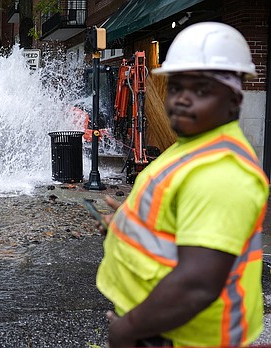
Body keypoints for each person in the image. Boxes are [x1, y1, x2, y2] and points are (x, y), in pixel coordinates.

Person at [95, 22, 268, 347]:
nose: (182, 100)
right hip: (162, 325)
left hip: (186, 336)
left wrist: (128, 328)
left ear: (234, 100)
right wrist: (129, 223)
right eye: (176, 88)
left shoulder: (224, 174)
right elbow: (175, 217)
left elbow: (196, 285)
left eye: (201, 90)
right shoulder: (195, 144)